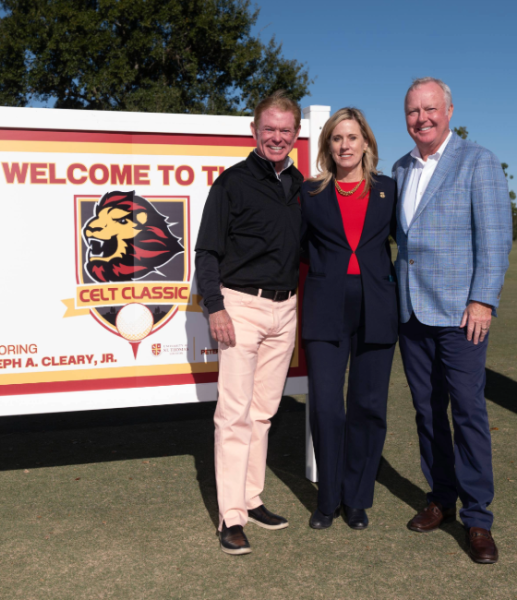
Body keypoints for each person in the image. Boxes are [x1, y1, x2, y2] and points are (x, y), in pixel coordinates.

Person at [392, 77, 512, 564]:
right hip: (411, 311)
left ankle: (478, 517)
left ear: (449, 110)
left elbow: (496, 236)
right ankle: (441, 497)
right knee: (426, 410)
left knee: (467, 411)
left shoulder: (477, 161)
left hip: (462, 313)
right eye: (413, 111)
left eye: (430, 109)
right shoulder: (400, 168)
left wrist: (483, 299)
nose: (422, 118)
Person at [195, 90, 304, 556]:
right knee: (234, 415)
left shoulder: (302, 185)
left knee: (263, 413)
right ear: (254, 132)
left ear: (295, 134)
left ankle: (251, 498)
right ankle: (231, 516)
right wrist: (215, 306)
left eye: (285, 130)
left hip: (286, 309)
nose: (277, 136)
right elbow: (207, 251)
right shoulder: (231, 183)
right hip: (240, 307)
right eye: (270, 129)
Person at [300, 108, 398, 531]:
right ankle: (328, 500)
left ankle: (357, 499)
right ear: (327, 146)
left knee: (368, 406)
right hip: (325, 309)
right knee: (326, 406)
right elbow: (301, 248)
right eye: (337, 138)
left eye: (353, 137)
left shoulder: (388, 191)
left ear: (366, 144)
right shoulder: (310, 193)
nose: (345, 145)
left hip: (377, 308)